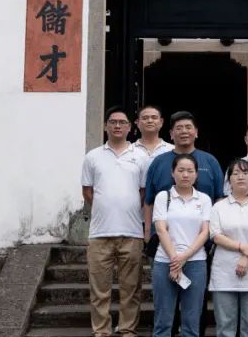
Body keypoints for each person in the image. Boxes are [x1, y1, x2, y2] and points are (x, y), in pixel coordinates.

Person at [80, 107, 147, 337]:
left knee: (131, 289)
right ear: (105, 126)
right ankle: (102, 331)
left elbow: (143, 191)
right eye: (113, 122)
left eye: (122, 122)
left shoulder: (141, 156)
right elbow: (87, 191)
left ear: (130, 127)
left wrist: (128, 207)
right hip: (100, 233)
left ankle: (127, 329)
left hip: (132, 232)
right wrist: (105, 207)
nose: (117, 126)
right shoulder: (93, 156)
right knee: (99, 289)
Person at [151, 153, 212, 337]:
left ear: (196, 174)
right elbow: (161, 229)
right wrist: (175, 259)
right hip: (165, 261)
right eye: (181, 170)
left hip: (195, 262)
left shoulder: (204, 199)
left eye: (190, 171)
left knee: (192, 320)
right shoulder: (163, 197)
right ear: (172, 172)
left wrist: (184, 257)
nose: (185, 175)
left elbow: (205, 232)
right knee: (163, 320)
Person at [210, 158, 248, 337]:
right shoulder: (219, 207)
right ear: (229, 180)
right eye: (235, 173)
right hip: (224, 273)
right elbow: (216, 235)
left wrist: (246, 257)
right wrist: (242, 247)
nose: (240, 177)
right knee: (225, 328)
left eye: (245, 173)